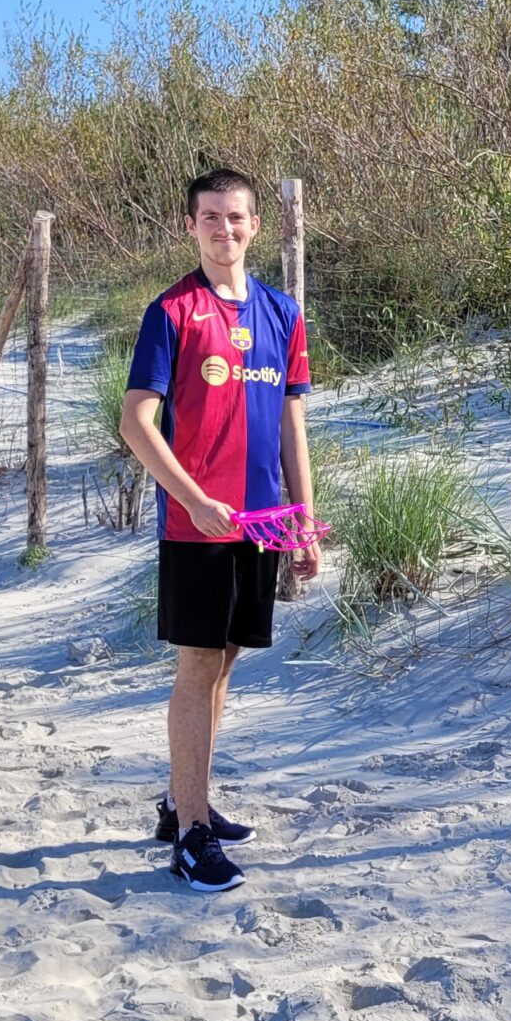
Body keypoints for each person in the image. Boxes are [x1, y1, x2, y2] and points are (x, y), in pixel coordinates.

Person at [120, 167, 321, 892]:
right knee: (198, 663)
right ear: (191, 226)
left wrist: (302, 520)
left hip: (261, 522)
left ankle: (186, 801)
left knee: (228, 658)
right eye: (210, 217)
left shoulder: (282, 313)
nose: (224, 229)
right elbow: (136, 422)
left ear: (256, 225)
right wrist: (194, 498)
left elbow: (292, 424)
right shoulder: (171, 312)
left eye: (236, 217)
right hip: (196, 524)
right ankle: (191, 837)